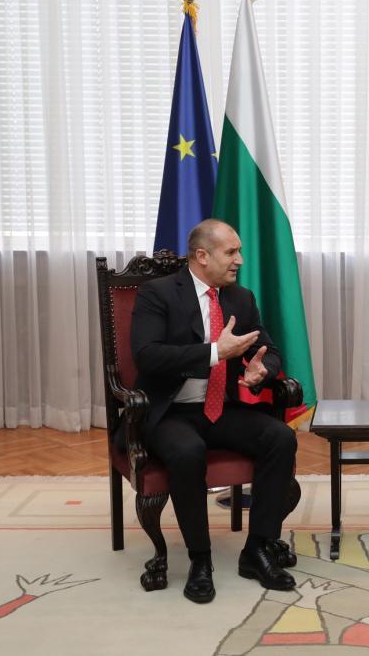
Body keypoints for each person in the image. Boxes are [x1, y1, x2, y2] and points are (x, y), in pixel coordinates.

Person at [130, 218, 298, 603]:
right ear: (202, 256)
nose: (239, 259)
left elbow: (269, 351)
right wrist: (214, 353)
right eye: (231, 252)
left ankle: (257, 548)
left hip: (221, 407)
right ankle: (200, 560)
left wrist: (261, 370)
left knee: (279, 438)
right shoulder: (158, 294)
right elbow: (147, 355)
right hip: (170, 411)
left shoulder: (241, 298)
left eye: (239, 251)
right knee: (188, 452)